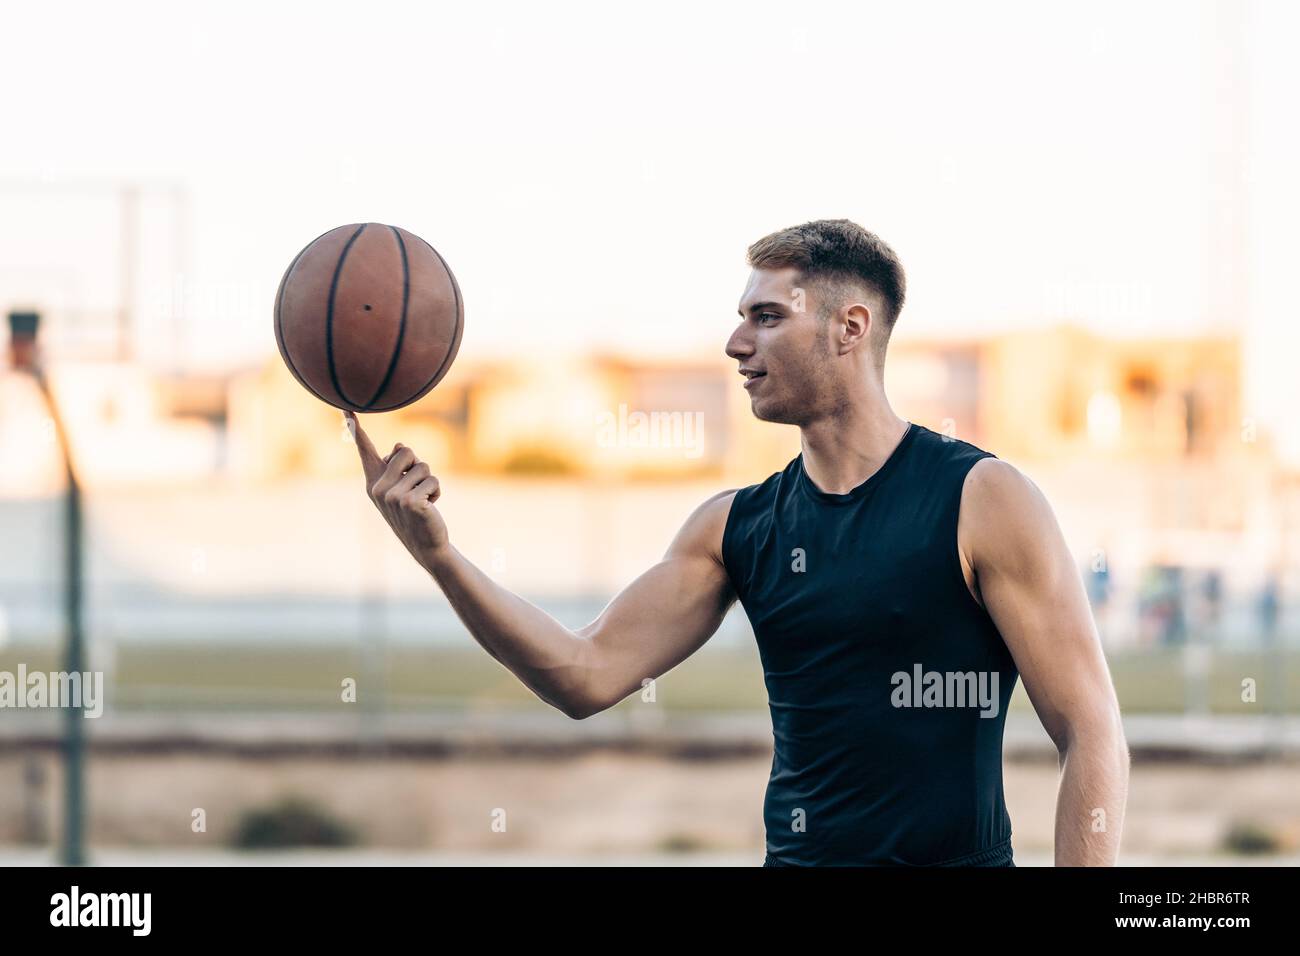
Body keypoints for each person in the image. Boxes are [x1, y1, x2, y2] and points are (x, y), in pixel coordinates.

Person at [345, 219, 1130, 866]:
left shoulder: (982, 499)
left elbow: (1090, 728)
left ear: (848, 328)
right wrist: (438, 556)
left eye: (766, 317)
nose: (734, 343)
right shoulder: (735, 526)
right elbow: (583, 676)